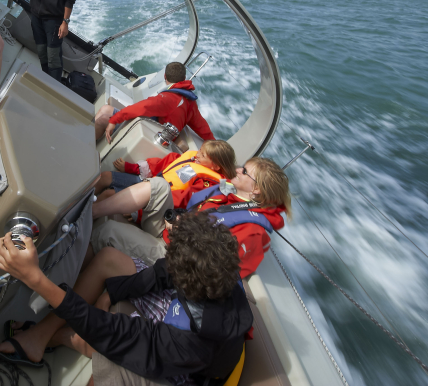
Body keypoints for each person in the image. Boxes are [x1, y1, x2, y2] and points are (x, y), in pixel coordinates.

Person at [0, 211, 254, 385]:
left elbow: (112, 331)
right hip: (182, 312)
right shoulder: (216, 270)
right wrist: (112, 292)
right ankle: (39, 337)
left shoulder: (190, 341)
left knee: (113, 365)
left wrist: (35, 278)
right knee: (110, 260)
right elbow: (161, 272)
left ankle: (60, 337)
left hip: (183, 368)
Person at [93, 156, 291, 279]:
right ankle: (92, 211)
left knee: (109, 231)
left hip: (174, 257)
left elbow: (216, 271)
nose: (238, 170)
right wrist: (139, 212)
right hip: (170, 231)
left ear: (256, 190)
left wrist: (184, 237)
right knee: (158, 186)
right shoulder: (225, 191)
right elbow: (182, 198)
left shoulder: (252, 232)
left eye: (245, 172)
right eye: (242, 166)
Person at [91, 140, 237, 234]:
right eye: (199, 150)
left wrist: (139, 212)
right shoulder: (193, 160)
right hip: (150, 183)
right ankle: (82, 204)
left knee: (109, 195)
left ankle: (85, 223)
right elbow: (162, 165)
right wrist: (132, 168)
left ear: (215, 167)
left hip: (157, 203)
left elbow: (181, 200)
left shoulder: (206, 183)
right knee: (105, 177)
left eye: (203, 155)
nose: (197, 155)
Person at [94, 60, 215, 142]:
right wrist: (214, 144)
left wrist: (114, 120)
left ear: (165, 77)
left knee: (104, 118)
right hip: (159, 128)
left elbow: (141, 107)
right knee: (105, 109)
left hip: (153, 133)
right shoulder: (190, 100)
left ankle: (88, 144)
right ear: (184, 78)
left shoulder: (166, 99)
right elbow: (202, 127)